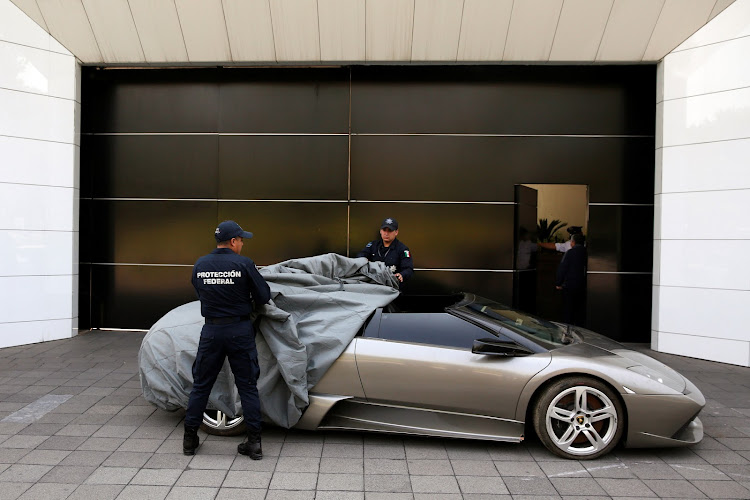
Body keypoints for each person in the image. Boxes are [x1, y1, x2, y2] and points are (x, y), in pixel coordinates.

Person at [183, 220, 271, 459]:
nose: (242, 244)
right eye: (241, 240)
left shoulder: (200, 264)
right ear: (233, 241)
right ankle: (254, 443)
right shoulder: (244, 264)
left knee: (201, 385)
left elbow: (200, 293)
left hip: (211, 331)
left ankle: (189, 440)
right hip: (239, 331)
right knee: (247, 386)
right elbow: (264, 296)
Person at [356, 217, 413, 285]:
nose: (386, 233)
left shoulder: (402, 249)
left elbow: (408, 269)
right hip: (373, 284)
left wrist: (401, 275)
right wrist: (365, 261)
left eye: (390, 230)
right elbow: (361, 255)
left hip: (391, 286)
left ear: (396, 232)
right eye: (384, 230)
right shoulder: (373, 245)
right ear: (380, 231)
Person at [555, 233, 587, 326]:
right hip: (583, 286)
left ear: (573, 242)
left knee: (568, 310)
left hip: (570, 285)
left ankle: (568, 330)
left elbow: (562, 268)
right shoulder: (587, 253)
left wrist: (558, 283)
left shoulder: (570, 253)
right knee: (580, 311)